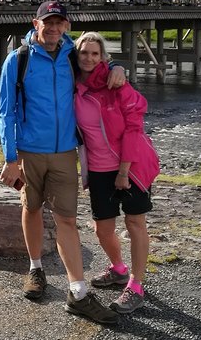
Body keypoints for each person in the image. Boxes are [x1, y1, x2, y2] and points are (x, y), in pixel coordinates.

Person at [0, 1, 125, 325]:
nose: (53, 28)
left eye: (59, 23)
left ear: (67, 26)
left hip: (66, 152)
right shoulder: (19, 59)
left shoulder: (72, 57)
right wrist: (10, 158)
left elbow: (99, 71)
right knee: (32, 208)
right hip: (29, 151)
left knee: (67, 219)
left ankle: (77, 292)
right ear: (35, 23)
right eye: (47, 22)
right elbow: (6, 112)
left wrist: (118, 67)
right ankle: (35, 268)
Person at [73, 31, 159, 314]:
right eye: (84, 52)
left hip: (130, 166)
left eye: (95, 53)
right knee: (102, 227)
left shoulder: (116, 84)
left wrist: (123, 170)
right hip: (97, 168)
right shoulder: (73, 85)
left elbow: (135, 128)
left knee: (135, 223)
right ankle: (119, 269)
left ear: (103, 57)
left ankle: (135, 285)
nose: (88, 58)